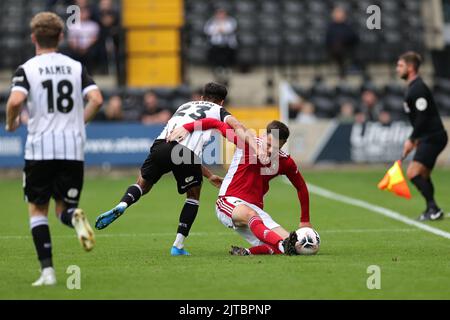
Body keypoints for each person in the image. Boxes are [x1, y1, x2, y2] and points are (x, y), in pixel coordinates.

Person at [95, 82, 262, 255]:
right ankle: (178, 245)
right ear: (221, 102)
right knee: (193, 196)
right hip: (184, 152)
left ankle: (123, 204)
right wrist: (253, 143)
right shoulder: (218, 110)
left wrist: (209, 174)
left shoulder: (184, 106)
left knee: (142, 184)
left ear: (202, 97)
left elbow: (177, 146)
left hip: (160, 145)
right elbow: (234, 126)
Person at [5, 12, 103, 286]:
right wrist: (78, 122)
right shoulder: (75, 66)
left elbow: (15, 102)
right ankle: (75, 217)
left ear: (34, 37)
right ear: (61, 37)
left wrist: (11, 123)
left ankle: (47, 273)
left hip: (40, 149)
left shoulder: (27, 68)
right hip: (72, 148)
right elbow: (96, 98)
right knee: (63, 209)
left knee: (38, 211)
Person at [169, 118, 311, 256]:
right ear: (262, 136)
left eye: (275, 148)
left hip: (255, 210)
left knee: (295, 246)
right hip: (228, 201)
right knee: (277, 239)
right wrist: (187, 127)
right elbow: (216, 123)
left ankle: (248, 252)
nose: (269, 151)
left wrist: (305, 220)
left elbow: (301, 187)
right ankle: (281, 243)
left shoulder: (285, 162)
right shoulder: (246, 142)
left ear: (283, 144)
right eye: (268, 144)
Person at [396, 51, 448, 221]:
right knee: (423, 175)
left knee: (413, 173)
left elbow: (423, 117)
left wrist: (411, 139)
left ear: (410, 68)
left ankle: (433, 208)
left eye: (401, 65)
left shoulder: (418, 88)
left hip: (433, 137)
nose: (397, 69)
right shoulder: (413, 87)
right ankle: (432, 209)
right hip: (429, 137)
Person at [204, 9, 238, 84]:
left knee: (226, 55)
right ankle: (217, 71)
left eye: (222, 14)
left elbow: (229, 30)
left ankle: (226, 71)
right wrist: (219, 29)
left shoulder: (231, 21)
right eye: (219, 14)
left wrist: (219, 29)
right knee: (215, 54)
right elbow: (208, 30)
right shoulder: (211, 21)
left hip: (227, 46)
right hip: (215, 45)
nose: (221, 16)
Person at [325, 6, 359, 78]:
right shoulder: (331, 27)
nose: (338, 15)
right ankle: (341, 70)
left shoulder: (348, 26)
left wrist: (343, 40)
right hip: (333, 49)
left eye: (340, 13)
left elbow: (354, 37)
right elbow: (328, 39)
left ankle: (346, 69)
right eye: (336, 13)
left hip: (347, 48)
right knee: (336, 47)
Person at [67, 6, 100, 73]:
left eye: (84, 13)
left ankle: (90, 73)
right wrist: (77, 48)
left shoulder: (93, 25)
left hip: (89, 48)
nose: (82, 15)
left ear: (88, 14)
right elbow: (71, 40)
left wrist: (85, 48)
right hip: (76, 49)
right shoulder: (73, 25)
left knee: (93, 53)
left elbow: (94, 38)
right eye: (81, 13)